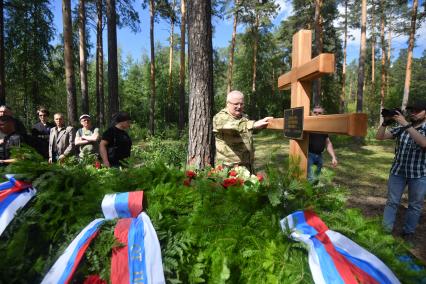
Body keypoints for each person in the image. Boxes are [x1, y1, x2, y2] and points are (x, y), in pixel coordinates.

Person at [376, 99, 426, 238]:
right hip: (398, 172)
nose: (414, 113)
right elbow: (379, 137)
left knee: (415, 206)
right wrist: (385, 122)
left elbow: (423, 143)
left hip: (419, 174)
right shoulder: (402, 127)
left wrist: (406, 124)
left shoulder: (415, 127)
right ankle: (385, 232)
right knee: (392, 202)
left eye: (418, 111)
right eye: (412, 110)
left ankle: (408, 233)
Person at [213, 90, 273, 172]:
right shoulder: (220, 117)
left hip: (247, 165)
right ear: (228, 103)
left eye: (242, 104)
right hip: (228, 168)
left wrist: (265, 124)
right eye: (236, 104)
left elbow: (248, 131)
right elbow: (234, 127)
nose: (239, 106)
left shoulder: (244, 116)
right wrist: (253, 124)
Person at [307, 105, 338, 181]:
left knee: (317, 177)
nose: (317, 114)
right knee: (311, 178)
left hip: (319, 156)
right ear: (311, 113)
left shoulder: (323, 127)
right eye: (315, 112)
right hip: (308, 155)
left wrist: (333, 157)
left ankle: (315, 191)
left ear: (323, 114)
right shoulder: (307, 124)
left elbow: (328, 143)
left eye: (320, 113)